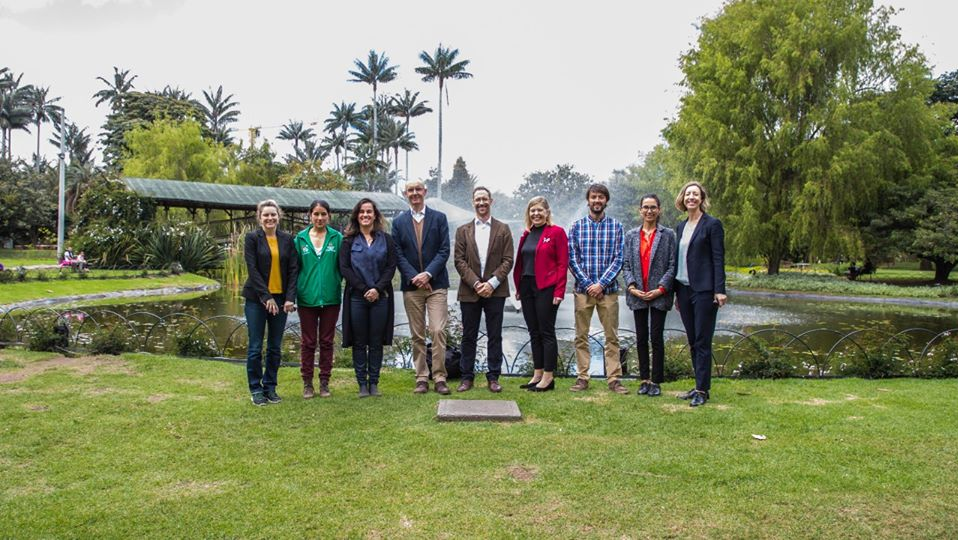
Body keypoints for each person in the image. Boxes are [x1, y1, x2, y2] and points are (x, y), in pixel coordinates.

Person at [391, 179, 452, 395]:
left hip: (436, 284)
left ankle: (440, 376)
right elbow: (397, 253)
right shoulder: (398, 223)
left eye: (418, 189)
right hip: (411, 286)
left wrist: (428, 274)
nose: (415, 193)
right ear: (405, 193)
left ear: (425, 191)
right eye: (410, 190)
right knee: (417, 334)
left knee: (437, 330)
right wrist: (414, 276)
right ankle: (421, 377)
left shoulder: (439, 218)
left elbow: (444, 250)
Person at [568, 183, 628, 394]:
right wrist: (589, 285)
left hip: (608, 291)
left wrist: (601, 284)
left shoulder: (616, 227)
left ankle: (614, 379)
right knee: (581, 336)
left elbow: (619, 259)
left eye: (601, 197)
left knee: (611, 337)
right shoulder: (576, 227)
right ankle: (582, 377)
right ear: (588, 200)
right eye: (593, 197)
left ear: (606, 201)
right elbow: (572, 259)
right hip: (583, 292)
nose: (597, 201)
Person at [453, 186, 515, 393]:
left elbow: (508, 260)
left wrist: (491, 283)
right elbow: (459, 261)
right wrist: (476, 283)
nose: (481, 203)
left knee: (494, 335)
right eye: (477, 200)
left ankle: (493, 377)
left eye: (484, 199)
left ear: (491, 201)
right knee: (468, 336)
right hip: (470, 291)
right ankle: (466, 377)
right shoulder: (463, 230)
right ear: (473, 202)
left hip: (495, 291)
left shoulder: (503, 229)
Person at [673, 181, 727, 407]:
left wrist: (719, 290)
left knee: (703, 341)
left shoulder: (712, 224)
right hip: (683, 289)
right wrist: (676, 294)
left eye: (695, 194)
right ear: (683, 199)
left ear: (702, 198)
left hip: (704, 290)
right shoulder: (681, 227)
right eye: (688, 194)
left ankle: (702, 390)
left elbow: (718, 258)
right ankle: (698, 386)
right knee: (693, 341)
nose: (691, 198)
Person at [242, 200, 298, 406]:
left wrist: (290, 297)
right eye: (265, 215)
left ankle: (270, 387)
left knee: (275, 347)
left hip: (282, 300)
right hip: (257, 300)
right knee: (256, 347)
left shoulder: (287, 240)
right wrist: (267, 298)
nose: (270, 218)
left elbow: (293, 270)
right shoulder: (252, 239)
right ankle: (256, 389)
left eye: (273, 215)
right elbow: (253, 270)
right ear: (260, 217)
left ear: (278, 216)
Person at [339, 198, 397, 398]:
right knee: (359, 341)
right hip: (357, 297)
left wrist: (377, 289)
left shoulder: (386, 239)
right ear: (357, 215)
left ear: (375, 215)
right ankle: (362, 384)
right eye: (362, 212)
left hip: (380, 298)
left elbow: (391, 267)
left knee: (375, 341)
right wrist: (365, 289)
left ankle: (374, 383)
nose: (365, 215)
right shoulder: (348, 240)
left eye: (369, 212)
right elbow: (345, 268)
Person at [622, 194, 676, 397]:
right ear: (640, 210)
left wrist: (661, 288)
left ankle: (656, 380)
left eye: (653, 207)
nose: (649, 211)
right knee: (641, 338)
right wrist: (631, 286)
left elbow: (673, 265)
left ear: (659, 210)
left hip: (659, 293)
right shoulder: (631, 235)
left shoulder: (668, 235)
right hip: (638, 293)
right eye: (645, 207)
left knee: (656, 337)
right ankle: (644, 379)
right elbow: (626, 264)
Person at [513, 196, 568, 392]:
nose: (536, 214)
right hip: (527, 287)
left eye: (539, 210)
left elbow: (563, 264)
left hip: (547, 288)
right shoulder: (526, 234)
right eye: (532, 211)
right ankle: (537, 374)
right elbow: (521, 262)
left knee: (546, 332)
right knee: (533, 332)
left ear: (547, 212)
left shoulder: (557, 233)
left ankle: (548, 377)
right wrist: (518, 288)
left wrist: (560, 290)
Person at [294, 199, 343, 399]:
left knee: (326, 341)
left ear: (328, 216)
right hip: (306, 297)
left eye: (323, 214)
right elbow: (294, 268)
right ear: (310, 215)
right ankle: (307, 383)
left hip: (331, 297)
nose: (320, 218)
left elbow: (344, 265)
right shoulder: (300, 239)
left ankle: (324, 382)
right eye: (316, 214)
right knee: (308, 342)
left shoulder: (337, 238)